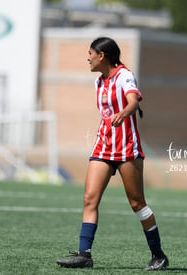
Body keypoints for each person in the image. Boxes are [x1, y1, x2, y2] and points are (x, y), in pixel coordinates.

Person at [56, 37, 168, 271]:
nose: (88, 58)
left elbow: (133, 101)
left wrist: (125, 113)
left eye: (90, 53)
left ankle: (158, 256)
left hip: (127, 147)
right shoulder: (99, 83)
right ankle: (84, 255)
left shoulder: (124, 75)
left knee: (137, 203)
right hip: (104, 146)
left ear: (102, 56)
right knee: (89, 198)